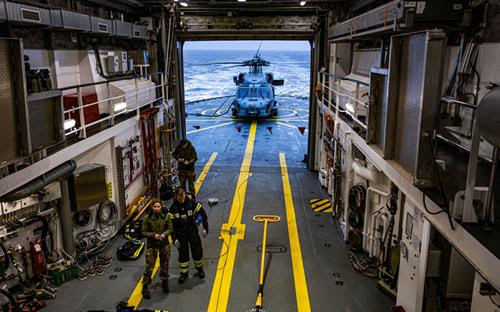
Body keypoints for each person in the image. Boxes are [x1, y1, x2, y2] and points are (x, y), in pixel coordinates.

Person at [168, 188, 208, 284]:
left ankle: (199, 269)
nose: (182, 199)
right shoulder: (173, 208)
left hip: (192, 231)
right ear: (176, 197)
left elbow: (203, 214)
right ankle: (184, 273)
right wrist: (174, 239)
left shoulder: (191, 203)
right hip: (181, 234)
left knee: (197, 250)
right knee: (183, 254)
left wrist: (205, 228)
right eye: (180, 198)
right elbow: (171, 226)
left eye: (184, 197)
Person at [141, 200, 173, 299]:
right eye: (154, 206)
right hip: (152, 244)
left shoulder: (166, 216)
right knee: (149, 266)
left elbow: (170, 228)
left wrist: (164, 234)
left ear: (161, 206)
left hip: (164, 243)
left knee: (165, 263)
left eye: (158, 206)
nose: (156, 208)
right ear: (152, 207)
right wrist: (153, 235)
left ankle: (164, 282)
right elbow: (143, 232)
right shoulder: (147, 218)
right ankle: (145, 286)